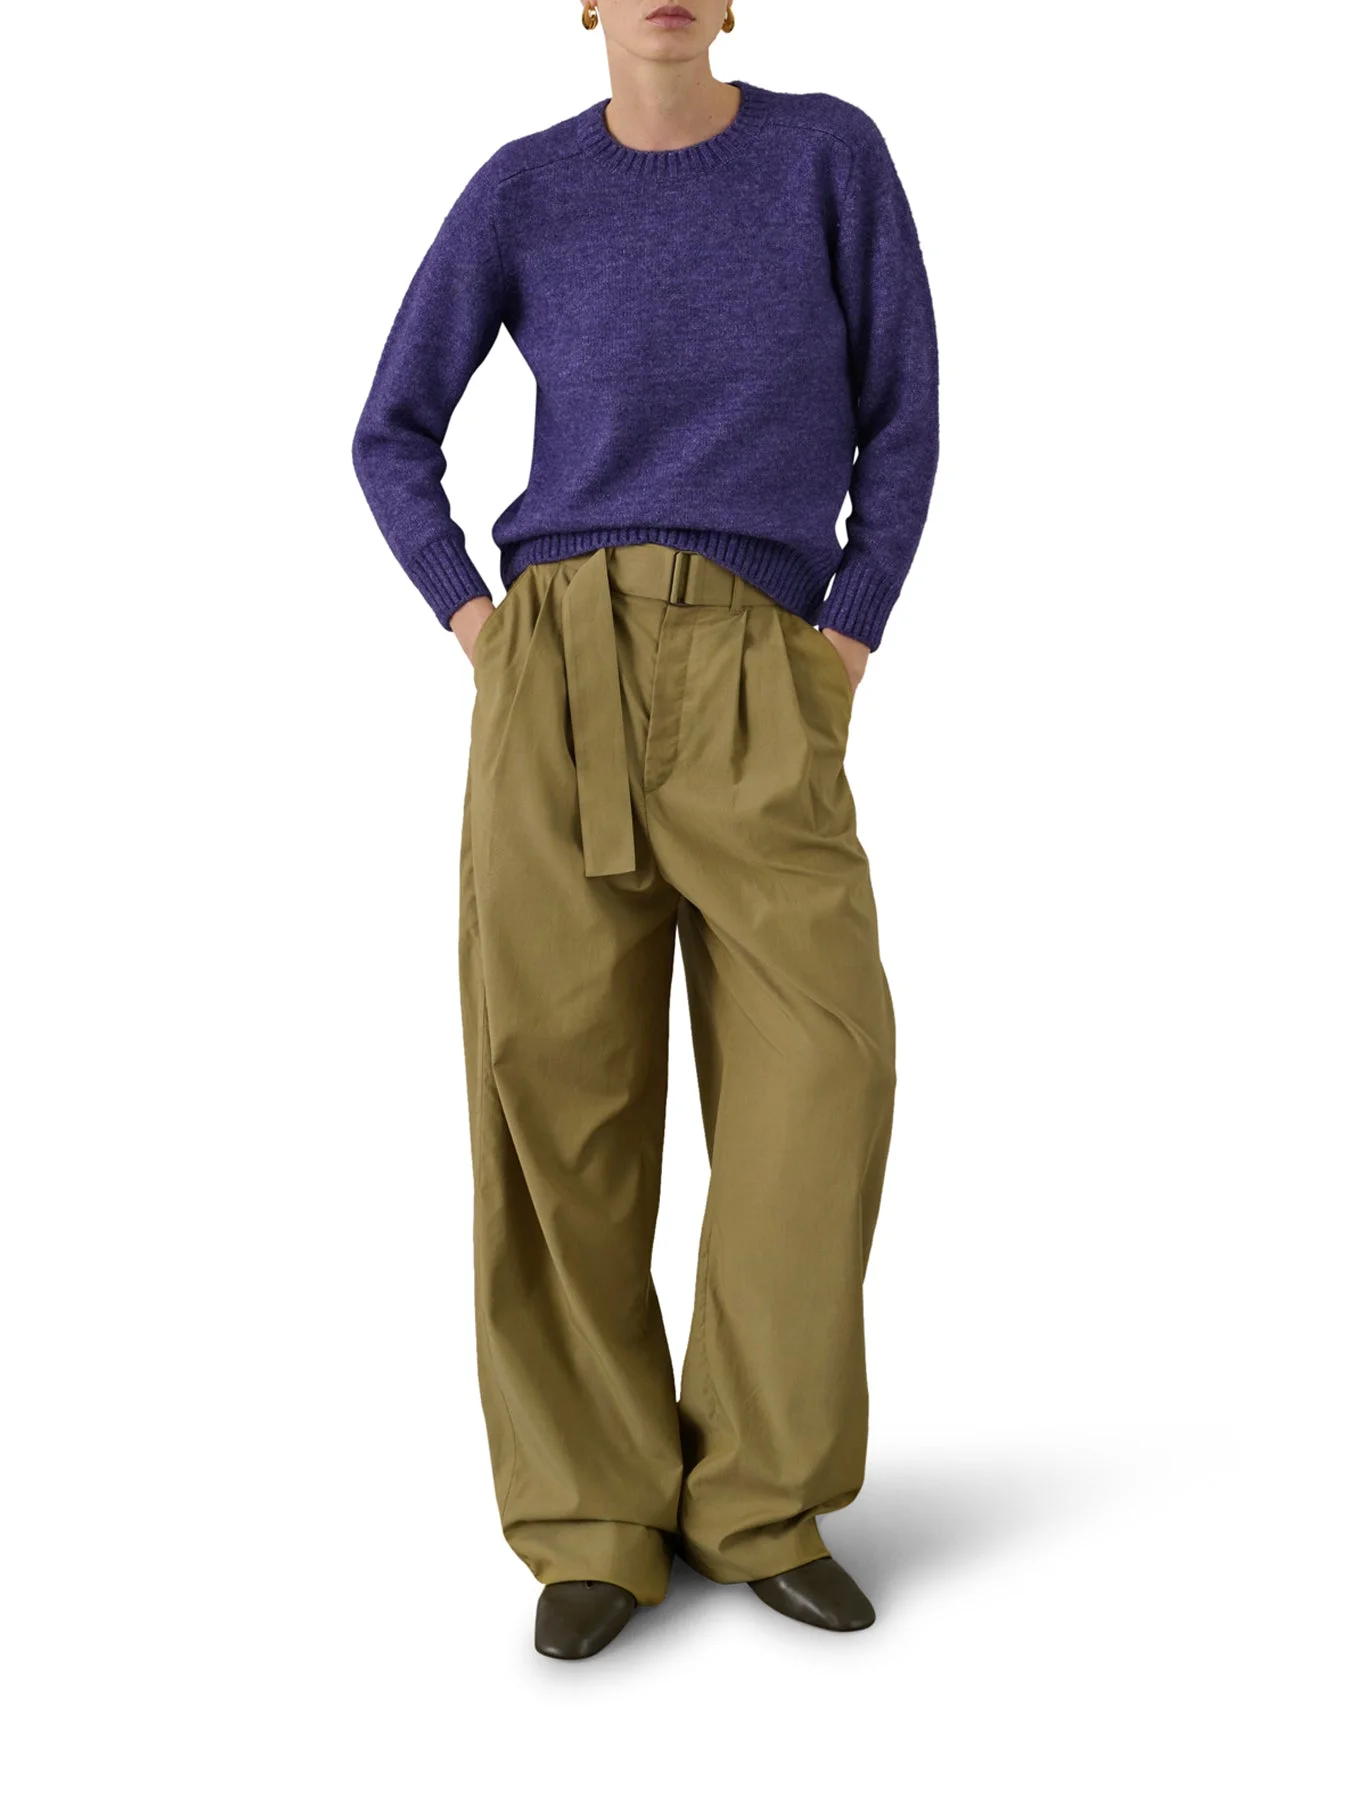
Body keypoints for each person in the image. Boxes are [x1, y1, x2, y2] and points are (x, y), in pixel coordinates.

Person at [351, 0, 939, 1660]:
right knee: (556, 1098)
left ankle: (758, 1497)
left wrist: (841, 640)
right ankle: (595, 1515)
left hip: (761, 662)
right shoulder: (525, 189)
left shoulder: (827, 157)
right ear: (586, 5)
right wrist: (482, 626)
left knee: (823, 1076)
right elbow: (390, 429)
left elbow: (903, 414)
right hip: (555, 665)